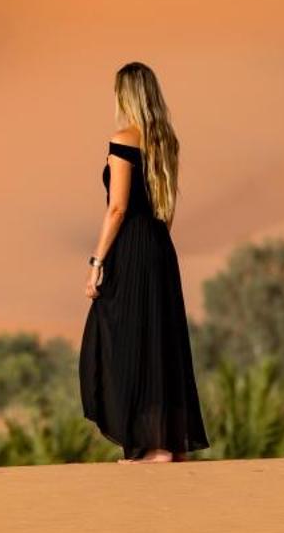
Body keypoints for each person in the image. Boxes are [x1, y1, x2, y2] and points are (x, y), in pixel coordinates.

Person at [78, 60, 210, 462]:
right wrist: (155, 252)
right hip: (159, 247)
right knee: (160, 341)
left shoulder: (123, 140)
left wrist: (98, 262)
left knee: (117, 341)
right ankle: (167, 443)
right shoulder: (165, 142)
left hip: (132, 246)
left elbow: (117, 208)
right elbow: (166, 208)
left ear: (125, 96)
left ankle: (148, 446)